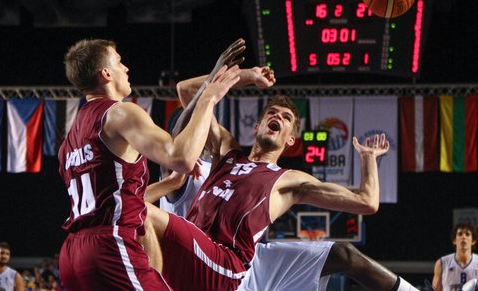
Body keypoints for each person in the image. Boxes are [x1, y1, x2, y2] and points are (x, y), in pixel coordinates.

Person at [145, 62, 418, 290]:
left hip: (227, 266)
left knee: (343, 254)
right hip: (195, 255)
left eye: (286, 118)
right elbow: (188, 91)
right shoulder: (227, 152)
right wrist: (248, 76)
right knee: (145, 217)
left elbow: (367, 202)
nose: (277, 116)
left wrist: (368, 160)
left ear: (290, 140)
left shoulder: (288, 180)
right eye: (272, 113)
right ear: (257, 126)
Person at [56, 38, 244, 290]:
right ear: (106, 73)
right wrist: (208, 99)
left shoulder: (69, 140)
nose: (126, 69)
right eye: (120, 62)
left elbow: (111, 200)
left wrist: (170, 183)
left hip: (72, 255)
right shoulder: (119, 113)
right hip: (110, 245)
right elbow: (182, 156)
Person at [433, 223, 478, 291]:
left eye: (467, 234)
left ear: (473, 241)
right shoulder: (442, 263)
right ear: (454, 240)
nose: (463, 237)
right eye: (460, 234)